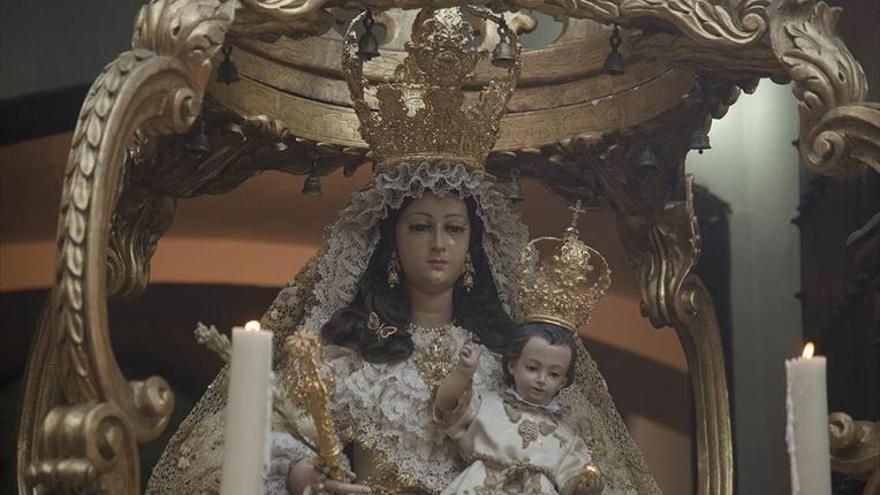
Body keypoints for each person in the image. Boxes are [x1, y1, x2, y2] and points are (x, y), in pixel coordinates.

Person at [146, 7, 660, 495]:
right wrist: (310, 477)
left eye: (454, 229)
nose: (438, 243)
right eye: (420, 227)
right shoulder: (349, 350)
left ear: (472, 246)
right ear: (390, 241)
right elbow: (269, 437)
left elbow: (579, 458)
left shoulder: (510, 358)